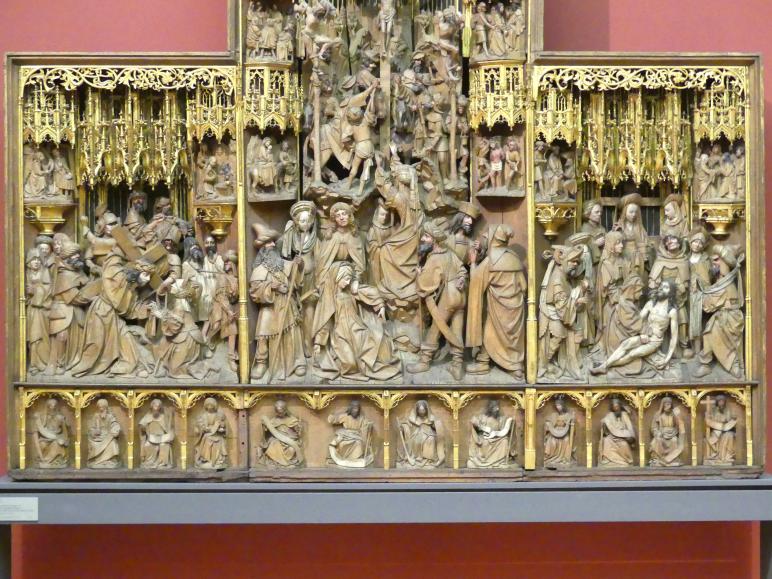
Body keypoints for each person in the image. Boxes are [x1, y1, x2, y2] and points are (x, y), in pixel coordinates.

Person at [312, 262, 401, 381]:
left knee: (376, 342)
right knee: (350, 364)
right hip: (341, 334)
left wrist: (381, 307)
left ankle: (373, 365)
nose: (348, 282)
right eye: (345, 279)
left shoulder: (351, 290)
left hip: (357, 329)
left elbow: (371, 292)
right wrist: (318, 343)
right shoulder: (329, 297)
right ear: (338, 277)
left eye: (349, 279)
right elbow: (325, 321)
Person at [407, 222, 468, 380]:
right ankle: (457, 366)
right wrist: (461, 278)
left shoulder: (434, 258)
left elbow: (426, 285)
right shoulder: (450, 253)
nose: (423, 239)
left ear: (434, 240)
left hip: (449, 297)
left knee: (436, 327)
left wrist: (419, 274)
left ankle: (424, 361)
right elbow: (462, 269)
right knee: (456, 330)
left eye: (426, 236)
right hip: (461, 296)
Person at [466, 225, 527, 379]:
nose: (485, 239)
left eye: (486, 237)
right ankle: (515, 367)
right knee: (512, 337)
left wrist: (473, 262)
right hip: (516, 308)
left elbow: (475, 281)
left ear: (493, 239)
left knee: (489, 331)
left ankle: (483, 362)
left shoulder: (491, 260)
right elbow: (524, 286)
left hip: (498, 309)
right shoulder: (514, 257)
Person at [590, 280, 678, 376]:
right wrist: (642, 333)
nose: (661, 288)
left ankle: (604, 365)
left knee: (632, 354)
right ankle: (603, 366)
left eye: (665, 287)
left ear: (671, 293)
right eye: (661, 286)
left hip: (654, 341)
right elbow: (639, 320)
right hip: (645, 335)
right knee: (625, 344)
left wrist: (666, 360)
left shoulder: (672, 312)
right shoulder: (650, 304)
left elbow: (674, 338)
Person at [250, 238, 307, 381]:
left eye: (273, 242)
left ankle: (297, 362)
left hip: (286, 303)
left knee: (292, 331)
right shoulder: (259, 270)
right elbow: (254, 292)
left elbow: (297, 280)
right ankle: (262, 363)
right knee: (263, 334)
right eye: (268, 243)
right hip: (269, 306)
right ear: (262, 249)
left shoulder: (284, 264)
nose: (273, 245)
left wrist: (299, 265)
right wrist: (271, 287)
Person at [693, 244, 745, 379]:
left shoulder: (725, 285)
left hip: (730, 319)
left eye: (716, 260)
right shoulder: (721, 281)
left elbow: (708, 306)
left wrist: (698, 296)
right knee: (709, 331)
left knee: (710, 332)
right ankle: (706, 364)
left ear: (725, 263)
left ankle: (732, 364)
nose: (713, 262)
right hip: (723, 316)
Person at [467, 399, 516, 468]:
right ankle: (484, 461)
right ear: (490, 408)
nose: (497, 409)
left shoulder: (500, 419)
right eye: (495, 407)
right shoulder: (484, 417)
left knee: (505, 441)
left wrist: (509, 421)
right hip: (485, 438)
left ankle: (500, 462)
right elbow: (473, 420)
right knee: (485, 442)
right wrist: (482, 427)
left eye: (498, 407)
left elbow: (503, 431)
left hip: (496, 438)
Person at [25, 248, 52, 375]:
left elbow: (49, 290)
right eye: (33, 259)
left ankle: (43, 362)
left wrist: (35, 291)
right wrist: (28, 292)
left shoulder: (45, 273)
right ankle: (34, 363)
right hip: (32, 310)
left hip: (42, 311)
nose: (36, 262)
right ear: (28, 262)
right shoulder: (26, 275)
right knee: (33, 337)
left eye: (38, 260)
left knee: (41, 336)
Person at [396, 400, 445, 468]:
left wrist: (435, 424)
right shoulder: (413, 418)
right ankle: (418, 459)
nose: (422, 412)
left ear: (426, 410)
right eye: (420, 410)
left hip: (429, 434)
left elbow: (437, 428)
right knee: (417, 441)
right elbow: (407, 425)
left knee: (431, 440)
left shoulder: (431, 418)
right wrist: (402, 427)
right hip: (416, 434)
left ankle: (428, 460)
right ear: (417, 410)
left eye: (423, 410)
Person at [257, 399, 304, 468]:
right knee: (273, 445)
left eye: (281, 412)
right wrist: (265, 427)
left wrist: (298, 428)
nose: (279, 414)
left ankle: (288, 463)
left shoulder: (292, 420)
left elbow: (297, 433)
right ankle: (276, 463)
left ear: (285, 410)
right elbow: (269, 432)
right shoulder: (273, 420)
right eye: (277, 412)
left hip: (289, 440)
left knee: (292, 449)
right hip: (277, 440)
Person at [328, 400, 374, 468]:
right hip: (345, 435)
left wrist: (369, 425)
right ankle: (340, 457)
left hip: (356, 436)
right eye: (354, 408)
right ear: (350, 409)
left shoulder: (361, 418)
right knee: (341, 444)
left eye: (357, 408)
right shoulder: (345, 416)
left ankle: (355, 460)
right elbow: (334, 420)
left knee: (359, 443)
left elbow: (366, 424)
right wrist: (331, 416)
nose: (356, 410)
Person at [598, 398, 636, 467]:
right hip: (612, 436)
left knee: (624, 444)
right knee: (606, 440)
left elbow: (629, 426)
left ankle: (626, 461)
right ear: (612, 408)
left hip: (623, 437)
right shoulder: (609, 415)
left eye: (617, 406)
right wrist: (603, 424)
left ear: (620, 406)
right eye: (614, 407)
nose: (616, 408)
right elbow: (604, 424)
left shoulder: (624, 414)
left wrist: (631, 437)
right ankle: (608, 461)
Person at [649, 396, 685, 467]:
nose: (667, 406)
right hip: (661, 434)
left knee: (674, 440)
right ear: (662, 405)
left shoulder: (673, 414)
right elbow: (654, 427)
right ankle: (658, 459)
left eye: (669, 404)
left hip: (672, 434)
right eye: (666, 404)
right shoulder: (658, 414)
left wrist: (677, 416)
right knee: (657, 440)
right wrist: (657, 432)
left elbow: (678, 426)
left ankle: (672, 460)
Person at [139, 398, 175, 469]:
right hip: (151, 437)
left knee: (164, 445)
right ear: (151, 406)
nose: (156, 408)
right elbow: (141, 426)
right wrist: (143, 428)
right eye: (155, 406)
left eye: (158, 406)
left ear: (160, 407)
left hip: (162, 437)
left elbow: (168, 428)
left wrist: (170, 435)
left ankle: (162, 464)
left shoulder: (163, 416)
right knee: (147, 445)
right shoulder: (148, 416)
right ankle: (149, 463)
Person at [193, 398, 229, 470]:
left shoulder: (218, 415)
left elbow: (223, 426)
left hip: (217, 434)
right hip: (207, 434)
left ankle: (217, 460)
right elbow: (199, 426)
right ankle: (206, 459)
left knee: (219, 440)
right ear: (205, 406)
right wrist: (202, 429)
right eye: (208, 405)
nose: (209, 407)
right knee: (207, 438)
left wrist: (221, 429)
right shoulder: (203, 415)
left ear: (214, 406)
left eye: (211, 405)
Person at [34, 399, 69, 468]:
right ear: (47, 407)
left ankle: (53, 461)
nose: (52, 408)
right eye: (50, 406)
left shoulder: (60, 418)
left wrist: (65, 440)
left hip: (57, 438)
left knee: (56, 444)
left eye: (54, 406)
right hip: (45, 438)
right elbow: (37, 432)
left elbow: (65, 432)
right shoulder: (42, 418)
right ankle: (43, 460)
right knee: (42, 444)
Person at [87, 398, 121, 469]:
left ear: (106, 407)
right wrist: (94, 432)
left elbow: (115, 424)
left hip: (108, 435)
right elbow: (91, 428)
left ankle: (109, 461)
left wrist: (115, 430)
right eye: (99, 407)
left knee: (112, 443)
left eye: (103, 407)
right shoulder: (96, 416)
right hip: (98, 437)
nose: (101, 409)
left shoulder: (110, 416)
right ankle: (97, 461)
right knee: (94, 444)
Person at [704, 394, 737, 466]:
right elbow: (709, 421)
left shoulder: (727, 410)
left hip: (726, 429)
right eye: (720, 401)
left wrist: (733, 419)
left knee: (730, 435)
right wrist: (708, 416)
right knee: (717, 436)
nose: (721, 403)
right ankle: (719, 456)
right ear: (717, 402)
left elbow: (729, 420)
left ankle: (727, 457)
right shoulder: (713, 410)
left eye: (723, 401)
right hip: (716, 430)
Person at [543, 396, 575, 468]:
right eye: (557, 405)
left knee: (566, 440)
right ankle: (551, 459)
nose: (558, 407)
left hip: (564, 433)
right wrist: (548, 425)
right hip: (554, 433)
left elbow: (571, 427)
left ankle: (564, 459)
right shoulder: (554, 415)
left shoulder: (568, 415)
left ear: (563, 406)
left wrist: (572, 421)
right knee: (551, 442)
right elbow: (549, 424)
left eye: (559, 405)